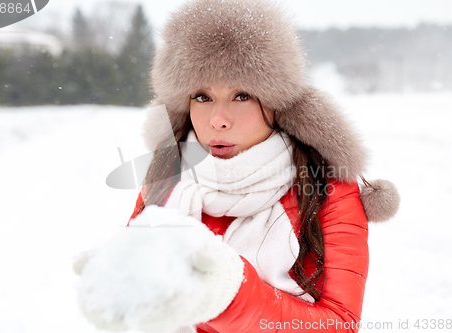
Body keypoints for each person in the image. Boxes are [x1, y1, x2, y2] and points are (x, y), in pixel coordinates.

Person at [75, 0, 400, 332]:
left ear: (275, 103)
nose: (218, 120)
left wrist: (228, 294)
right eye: (202, 96)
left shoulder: (327, 191)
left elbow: (340, 323)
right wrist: (117, 279)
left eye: (241, 95)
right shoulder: (167, 177)